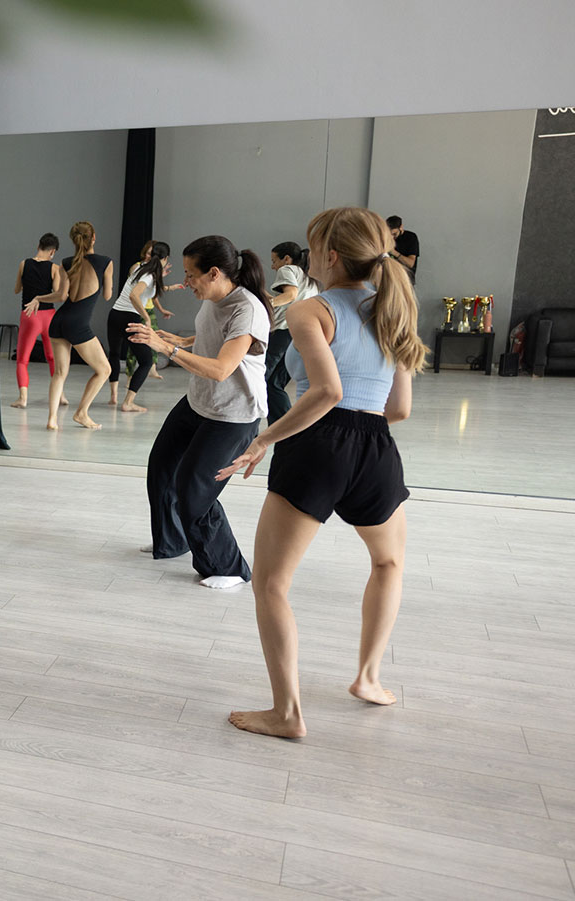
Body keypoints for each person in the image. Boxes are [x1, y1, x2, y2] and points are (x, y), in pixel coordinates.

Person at [217, 207, 427, 739]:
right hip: (376, 447)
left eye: (313, 248)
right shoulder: (394, 309)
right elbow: (398, 408)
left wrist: (264, 437)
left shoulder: (313, 310)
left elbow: (328, 392)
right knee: (389, 563)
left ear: (329, 256)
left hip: (318, 444)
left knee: (270, 583)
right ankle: (369, 677)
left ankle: (287, 713)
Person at [128, 234, 271, 590]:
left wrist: (164, 348)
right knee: (162, 466)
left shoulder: (247, 309)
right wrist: (183, 340)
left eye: (191, 275)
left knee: (194, 492)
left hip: (233, 415)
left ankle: (229, 568)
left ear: (214, 273)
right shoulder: (212, 296)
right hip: (199, 402)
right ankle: (173, 541)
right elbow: (215, 335)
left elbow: (222, 368)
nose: (185, 282)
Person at [46, 221, 114, 430]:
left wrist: (39, 298)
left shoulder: (65, 263)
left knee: (60, 373)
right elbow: (107, 294)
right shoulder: (105, 262)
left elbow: (61, 295)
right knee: (104, 370)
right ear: (93, 238)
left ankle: (52, 420)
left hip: (58, 321)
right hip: (78, 324)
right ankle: (81, 412)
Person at [106, 241, 172, 413]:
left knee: (114, 353)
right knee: (146, 361)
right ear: (166, 258)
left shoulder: (141, 267)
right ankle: (128, 402)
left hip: (114, 315)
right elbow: (135, 295)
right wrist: (145, 317)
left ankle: (113, 396)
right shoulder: (149, 275)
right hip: (129, 317)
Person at [9, 232, 69, 409]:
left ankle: (23, 398)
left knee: (22, 359)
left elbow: (16, 289)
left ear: (39, 246)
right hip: (49, 316)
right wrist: (42, 296)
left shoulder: (23, 264)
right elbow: (58, 294)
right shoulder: (54, 268)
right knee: (53, 358)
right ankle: (61, 395)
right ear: (53, 252)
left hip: (29, 315)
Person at [263, 242, 318, 424]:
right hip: (302, 337)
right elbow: (291, 298)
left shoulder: (288, 269)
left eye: (274, 260)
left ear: (286, 258)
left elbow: (290, 295)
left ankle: (246, 427)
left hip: (284, 333)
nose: (273, 266)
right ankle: (286, 427)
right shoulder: (309, 278)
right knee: (273, 384)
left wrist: (266, 305)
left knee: (257, 379)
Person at [385, 215, 419, 282]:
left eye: (394, 234)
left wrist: (394, 252)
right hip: (388, 279)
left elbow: (410, 263)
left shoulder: (411, 238)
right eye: (390, 234)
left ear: (401, 227)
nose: (392, 237)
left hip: (405, 280)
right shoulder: (386, 237)